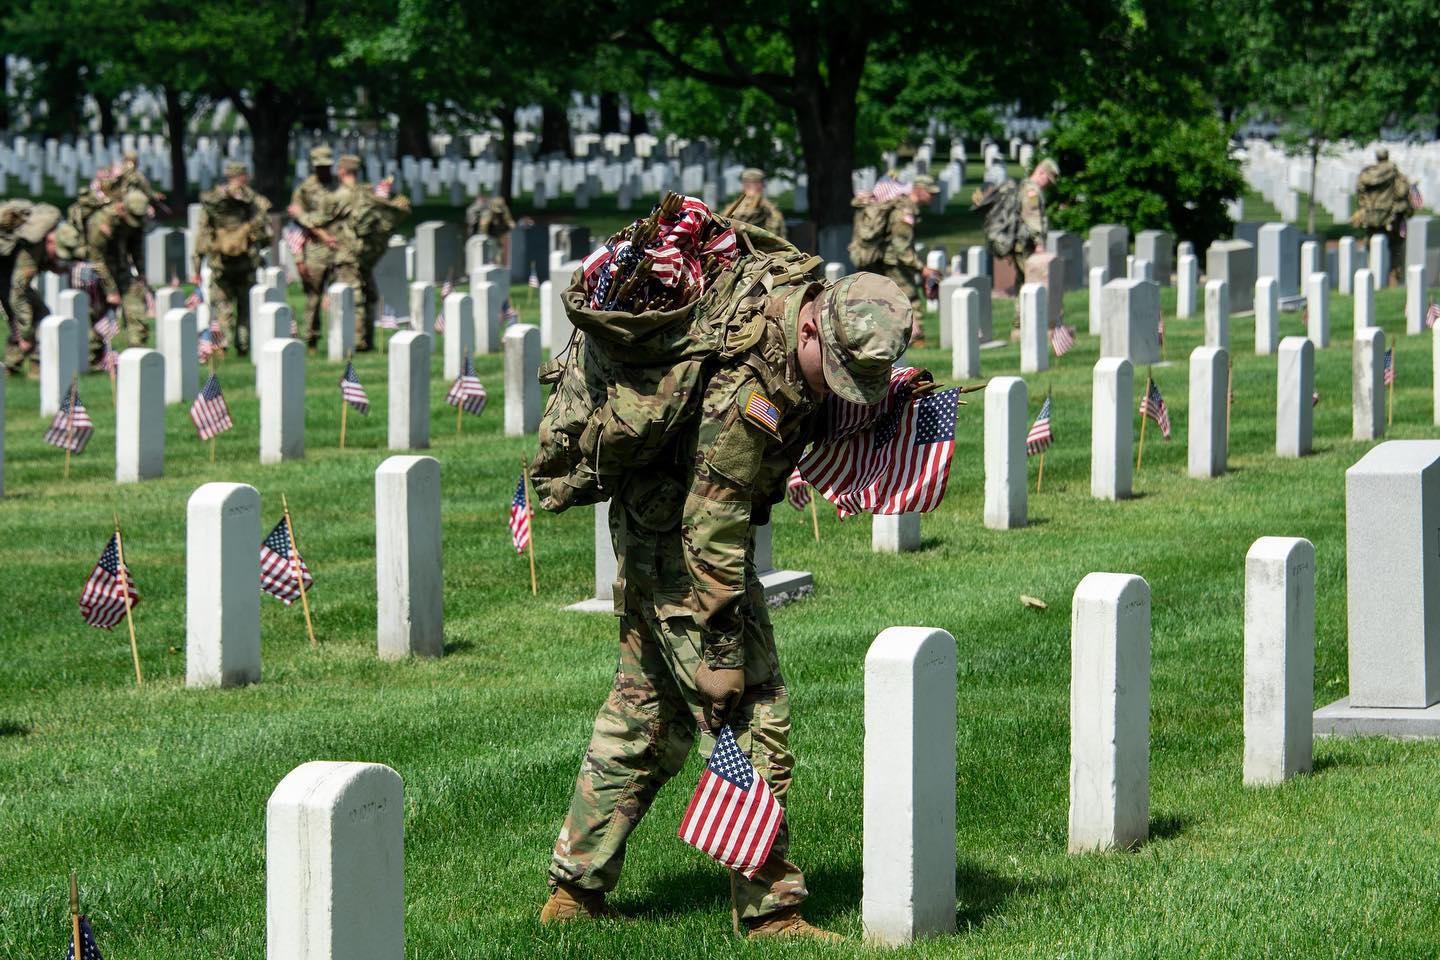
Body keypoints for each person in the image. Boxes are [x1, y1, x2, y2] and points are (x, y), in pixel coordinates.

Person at [540, 269, 915, 942]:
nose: (834, 386)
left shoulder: (794, 337)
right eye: (832, 368)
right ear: (810, 325)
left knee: (645, 712)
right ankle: (773, 910)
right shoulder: (748, 388)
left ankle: (575, 888)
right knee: (752, 714)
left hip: (659, 532)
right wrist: (720, 655)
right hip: (682, 551)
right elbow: (712, 522)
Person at [192, 161, 272, 356]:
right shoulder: (254, 202)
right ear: (244, 176)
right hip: (246, 263)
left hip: (220, 263)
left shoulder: (213, 203)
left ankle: (222, 346)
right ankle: (243, 345)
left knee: (222, 306)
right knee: (245, 307)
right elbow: (265, 234)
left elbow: (202, 234)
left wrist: (196, 267)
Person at [0, 201, 71, 375]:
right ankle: (32, 366)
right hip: (5, 279)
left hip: (5, 275)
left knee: (38, 315)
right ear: (50, 240)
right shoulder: (32, 249)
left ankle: (14, 366)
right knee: (35, 315)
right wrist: (25, 335)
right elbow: (18, 293)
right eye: (57, 253)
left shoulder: (42, 236)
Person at [974, 157, 1059, 298]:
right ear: (1041, 172)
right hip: (1025, 244)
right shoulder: (1032, 191)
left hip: (1022, 243)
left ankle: (1021, 318)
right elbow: (1032, 218)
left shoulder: (1025, 186)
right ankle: (1025, 317)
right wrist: (1039, 244)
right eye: (1048, 180)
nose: (1048, 184)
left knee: (1024, 283)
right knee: (1032, 283)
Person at [287, 145, 340, 348]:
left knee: (341, 294)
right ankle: (311, 338)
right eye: (320, 167)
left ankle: (339, 339)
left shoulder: (338, 186)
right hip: (315, 249)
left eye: (327, 166)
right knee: (313, 296)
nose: (324, 170)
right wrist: (299, 258)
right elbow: (296, 225)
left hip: (339, 247)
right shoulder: (304, 189)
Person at [88, 188, 152, 348]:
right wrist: (111, 290)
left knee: (135, 302)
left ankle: (137, 350)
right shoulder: (102, 221)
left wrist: (141, 272)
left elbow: (136, 247)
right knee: (99, 315)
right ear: (122, 207)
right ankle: (93, 355)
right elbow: (96, 259)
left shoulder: (136, 218)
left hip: (121, 267)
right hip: (97, 272)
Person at [1353, 148, 1419, 284]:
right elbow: (1402, 191)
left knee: (1372, 247)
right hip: (1391, 216)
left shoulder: (1366, 174)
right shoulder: (1394, 172)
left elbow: (1360, 195)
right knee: (1395, 247)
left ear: (1377, 157)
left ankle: (1372, 277)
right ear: (1387, 156)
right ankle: (1394, 277)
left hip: (1371, 217)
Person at [723, 168, 786, 237]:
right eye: (748, 184)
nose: (751, 187)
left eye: (754, 184)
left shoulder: (769, 210)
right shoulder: (733, 207)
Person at [466, 192, 516, 264]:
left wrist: (510, 228)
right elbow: (483, 227)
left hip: (499, 236)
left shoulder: (504, 210)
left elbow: (510, 222)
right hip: (489, 236)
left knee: (499, 255)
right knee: (489, 256)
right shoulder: (488, 213)